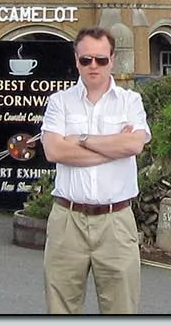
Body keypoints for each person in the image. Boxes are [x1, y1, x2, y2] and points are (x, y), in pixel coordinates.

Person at [40, 27, 151, 315]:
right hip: (67, 220)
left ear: (112, 60)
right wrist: (113, 148)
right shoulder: (59, 102)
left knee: (122, 310)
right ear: (76, 60)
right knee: (61, 310)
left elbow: (135, 144)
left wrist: (81, 139)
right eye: (86, 59)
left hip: (115, 221)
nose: (93, 66)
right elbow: (54, 151)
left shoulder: (130, 101)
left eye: (101, 60)